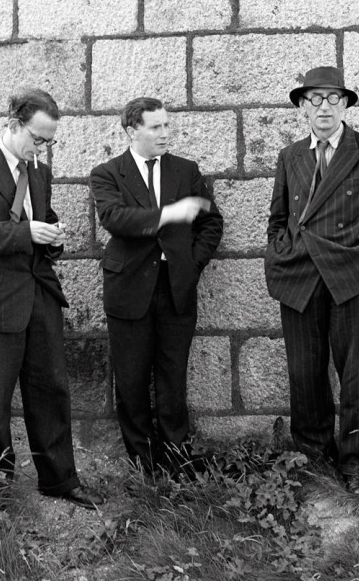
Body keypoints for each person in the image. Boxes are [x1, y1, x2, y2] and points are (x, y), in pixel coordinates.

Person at [0, 88, 102, 508]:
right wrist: (27, 233)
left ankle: (59, 480)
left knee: (51, 389)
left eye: (50, 141)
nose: (43, 148)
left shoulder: (39, 173)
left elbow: (40, 223)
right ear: (14, 125)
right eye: (38, 138)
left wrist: (50, 237)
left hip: (39, 295)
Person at [264, 67, 359, 495]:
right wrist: (280, 251)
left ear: (345, 104)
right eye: (314, 99)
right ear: (302, 107)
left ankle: (354, 463)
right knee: (304, 373)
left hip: (351, 277)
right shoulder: (291, 156)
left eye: (332, 98)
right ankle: (312, 457)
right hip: (300, 277)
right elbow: (277, 221)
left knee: (355, 375)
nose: (323, 107)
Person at [90, 97, 223, 475]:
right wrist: (170, 214)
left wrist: (190, 264)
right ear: (133, 131)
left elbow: (212, 223)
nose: (165, 133)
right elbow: (115, 218)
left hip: (175, 287)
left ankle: (177, 460)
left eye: (167, 125)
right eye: (155, 127)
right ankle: (142, 465)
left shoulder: (185, 170)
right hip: (129, 289)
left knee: (172, 376)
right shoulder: (107, 173)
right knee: (130, 380)